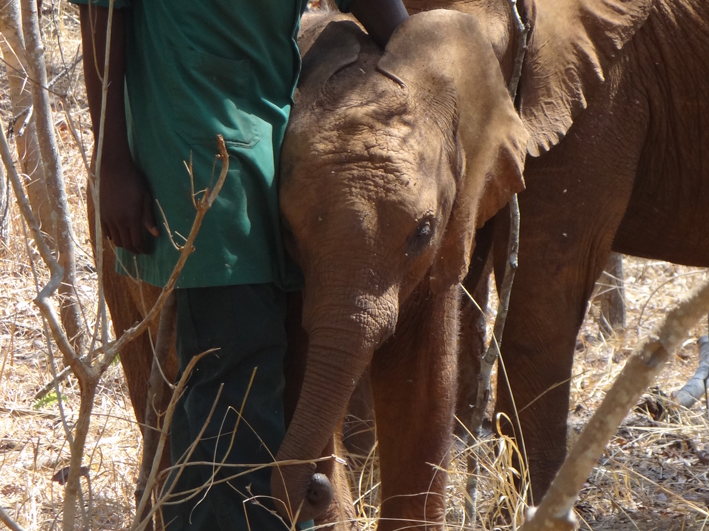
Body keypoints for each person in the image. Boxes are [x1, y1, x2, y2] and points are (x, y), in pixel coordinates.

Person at [74, 0, 408, 529]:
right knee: (236, 383)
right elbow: (104, 14)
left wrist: (428, 60)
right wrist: (109, 159)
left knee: (224, 392)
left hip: (265, 130)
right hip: (191, 139)